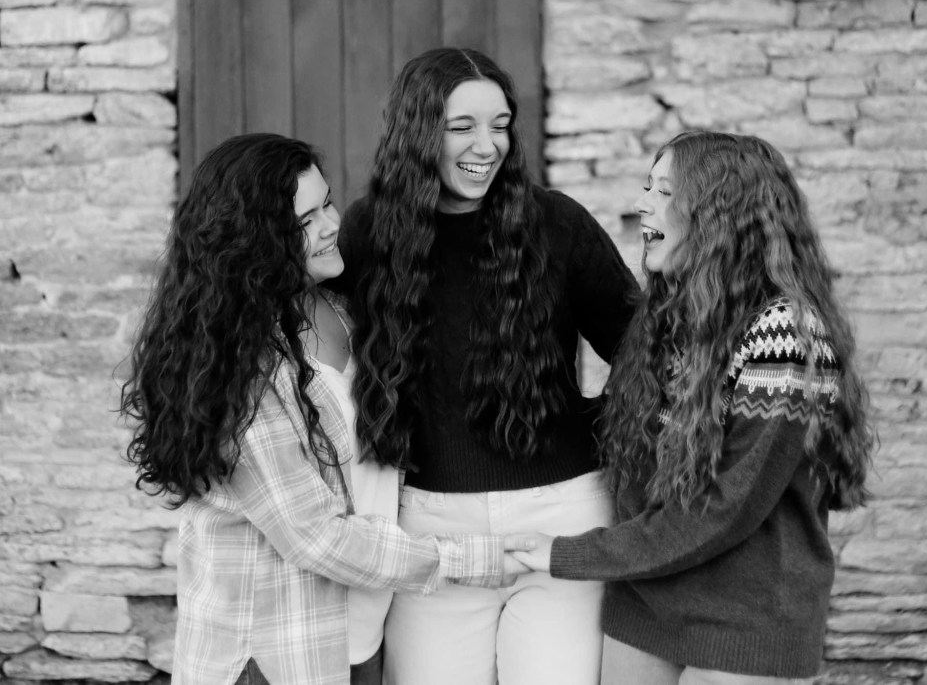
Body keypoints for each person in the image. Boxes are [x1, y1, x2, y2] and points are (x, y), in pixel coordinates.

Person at [119, 133, 530, 685]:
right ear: (254, 242)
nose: (331, 224)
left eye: (327, 203)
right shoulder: (237, 370)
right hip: (274, 654)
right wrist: (472, 559)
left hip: (358, 635)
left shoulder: (341, 308)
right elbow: (317, 537)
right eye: (304, 221)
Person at [512, 131, 876, 684]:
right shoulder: (667, 318)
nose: (643, 204)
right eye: (646, 187)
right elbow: (625, 455)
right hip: (646, 605)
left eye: (665, 191)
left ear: (716, 212)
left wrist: (572, 554)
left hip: (746, 621)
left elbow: (724, 509)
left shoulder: (784, 335)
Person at [326, 48, 638, 685]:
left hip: (560, 521)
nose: (487, 145)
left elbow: (643, 348)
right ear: (419, 130)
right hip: (430, 533)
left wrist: (597, 424)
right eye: (462, 126)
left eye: (500, 125)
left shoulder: (558, 223)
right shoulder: (367, 235)